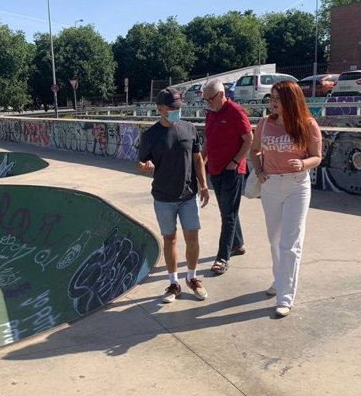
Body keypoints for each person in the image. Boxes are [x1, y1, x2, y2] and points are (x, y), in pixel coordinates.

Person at [248, 80, 322, 318]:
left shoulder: (308, 125)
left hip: (296, 186)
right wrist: (259, 171)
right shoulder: (264, 124)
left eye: (278, 98)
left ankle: (285, 297)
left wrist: (303, 163)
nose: (272, 102)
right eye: (271, 98)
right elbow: (254, 150)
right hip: (270, 185)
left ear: (291, 100)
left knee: (290, 243)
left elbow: (317, 157)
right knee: (274, 240)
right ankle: (279, 279)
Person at [138, 87, 210, 303]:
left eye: (179, 107)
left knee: (192, 238)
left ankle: (192, 278)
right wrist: (145, 166)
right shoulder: (150, 135)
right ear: (161, 109)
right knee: (169, 239)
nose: (177, 112)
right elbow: (141, 163)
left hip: (188, 195)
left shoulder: (189, 129)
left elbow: (198, 159)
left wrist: (204, 185)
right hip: (163, 198)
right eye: (173, 108)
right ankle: (174, 283)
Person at [202, 78, 254, 274]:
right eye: (205, 100)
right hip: (215, 170)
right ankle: (237, 244)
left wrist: (235, 162)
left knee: (228, 214)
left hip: (232, 171)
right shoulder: (210, 114)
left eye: (210, 99)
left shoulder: (235, 111)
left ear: (222, 95)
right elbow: (208, 140)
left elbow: (249, 139)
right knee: (228, 210)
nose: (208, 103)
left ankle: (222, 257)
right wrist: (202, 162)